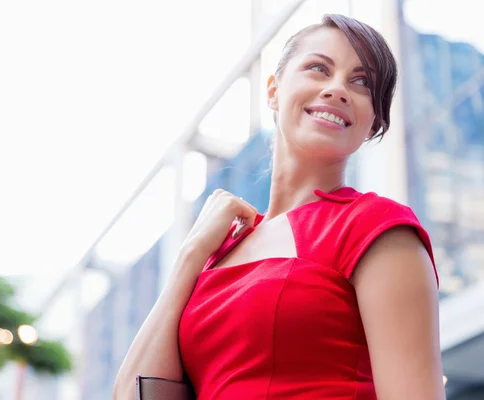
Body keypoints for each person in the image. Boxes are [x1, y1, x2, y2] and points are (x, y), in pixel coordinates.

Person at [114, 13, 445, 400]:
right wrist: (191, 255)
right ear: (273, 90)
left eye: (362, 83)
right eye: (318, 69)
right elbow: (134, 395)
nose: (338, 89)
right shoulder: (216, 250)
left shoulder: (376, 227)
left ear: (373, 122)